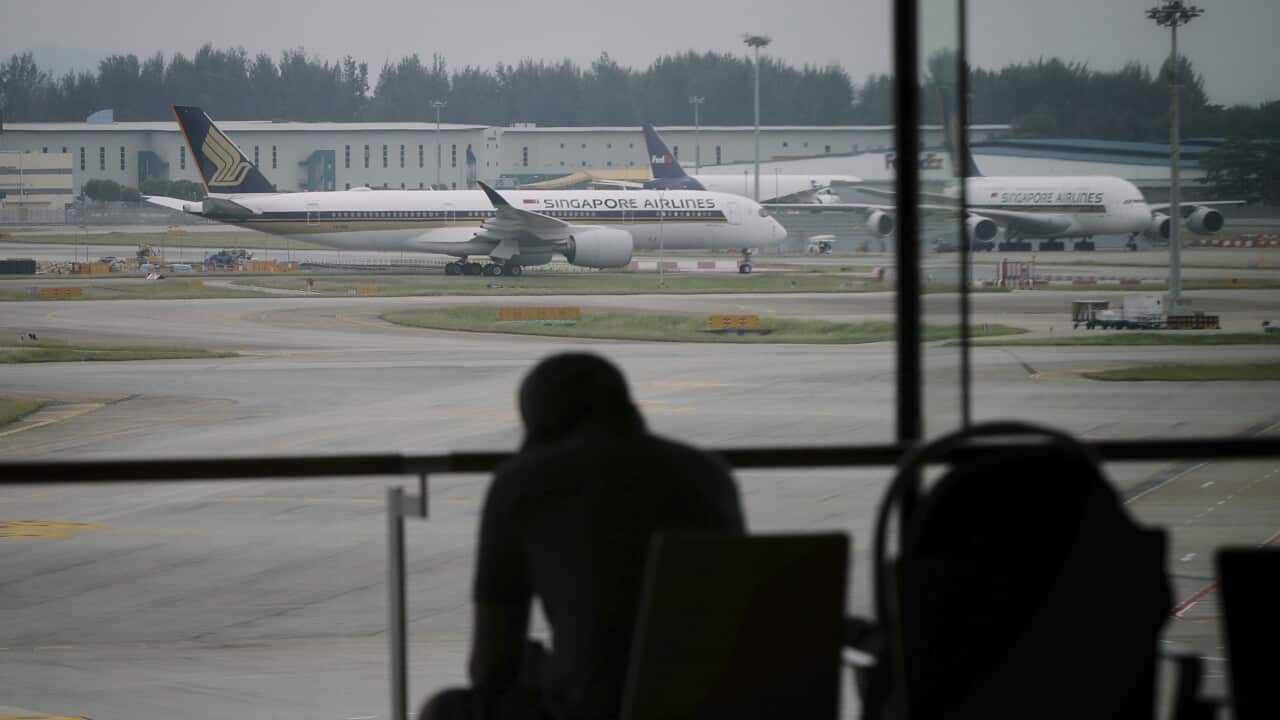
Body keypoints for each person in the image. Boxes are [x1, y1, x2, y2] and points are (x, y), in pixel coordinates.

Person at [422, 353, 745, 720]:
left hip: (592, 707)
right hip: (710, 699)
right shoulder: (709, 473)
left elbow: (492, 665)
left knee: (442, 709)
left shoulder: (523, 480)